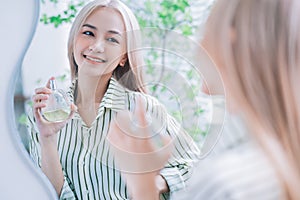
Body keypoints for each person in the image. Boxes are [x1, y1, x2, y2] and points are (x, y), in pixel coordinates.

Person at [108, 0, 300, 199]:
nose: (196, 46)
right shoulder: (271, 154)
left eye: (205, 31)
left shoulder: (224, 185)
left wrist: (144, 185)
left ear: (228, 42)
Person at [26, 0, 200, 199]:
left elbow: (195, 167)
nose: (97, 46)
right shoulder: (46, 114)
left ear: (124, 57)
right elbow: (49, 193)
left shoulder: (143, 109)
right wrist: (47, 138)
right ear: (74, 39)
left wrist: (156, 183)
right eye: (88, 33)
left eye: (112, 40)